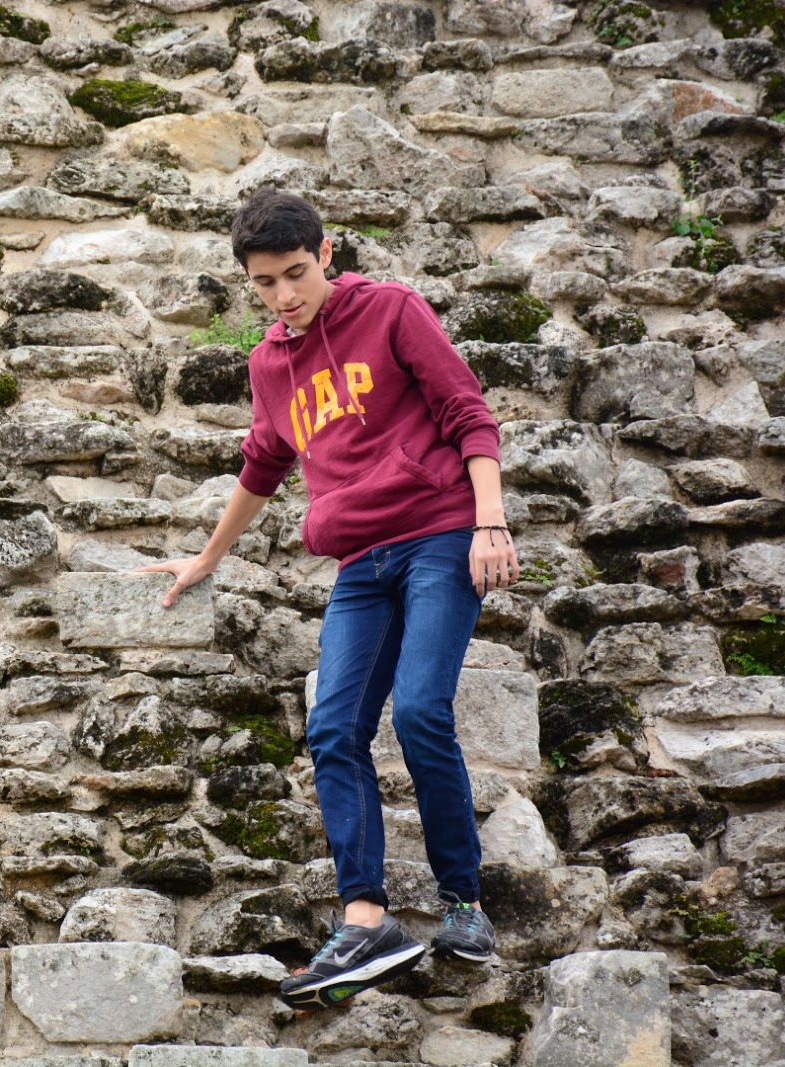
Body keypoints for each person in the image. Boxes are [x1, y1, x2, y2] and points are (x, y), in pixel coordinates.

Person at [142, 189, 520, 1010]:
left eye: (296, 274)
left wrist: (490, 522)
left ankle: (464, 904)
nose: (283, 296)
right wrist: (208, 556)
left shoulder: (391, 310)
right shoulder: (269, 363)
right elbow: (262, 462)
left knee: (419, 709)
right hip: (359, 564)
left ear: (326, 252)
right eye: (264, 283)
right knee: (332, 727)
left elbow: (468, 413)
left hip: (440, 535)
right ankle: (365, 918)